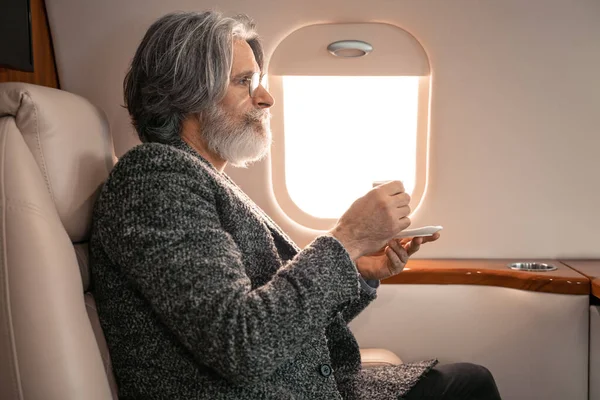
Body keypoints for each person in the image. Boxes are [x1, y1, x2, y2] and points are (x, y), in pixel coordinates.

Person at [89, 10, 502, 400]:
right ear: (189, 94)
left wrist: (357, 267)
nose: (266, 98)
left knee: (469, 381)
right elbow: (244, 344)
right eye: (245, 81)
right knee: (470, 385)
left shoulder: (203, 177)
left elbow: (282, 321)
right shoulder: (155, 180)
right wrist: (347, 237)